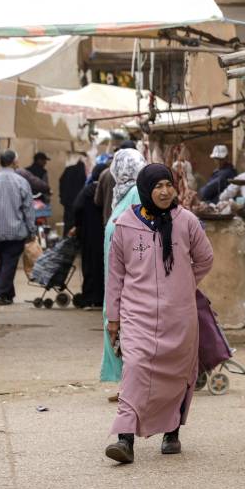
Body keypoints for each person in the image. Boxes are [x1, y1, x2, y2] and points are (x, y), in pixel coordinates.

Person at [104, 164, 214, 463]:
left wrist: (182, 284)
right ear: (145, 190)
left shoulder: (186, 221)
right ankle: (124, 439)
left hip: (180, 316)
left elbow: (205, 259)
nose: (165, 192)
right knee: (135, 369)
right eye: (158, 186)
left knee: (179, 376)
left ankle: (172, 433)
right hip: (136, 314)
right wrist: (112, 318)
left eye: (169, 185)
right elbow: (115, 276)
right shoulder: (124, 225)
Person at [100, 149, 146, 386]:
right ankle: (124, 382)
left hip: (129, 274)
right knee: (114, 323)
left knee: (124, 327)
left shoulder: (137, 192)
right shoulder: (122, 193)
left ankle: (131, 385)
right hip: (115, 272)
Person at [0, 150, 36, 305]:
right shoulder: (21, 182)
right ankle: (0, 294)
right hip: (15, 231)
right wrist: (32, 230)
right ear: (13, 162)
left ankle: (8, 293)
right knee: (9, 263)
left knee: (4, 262)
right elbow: (28, 209)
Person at [70, 163, 108, 309]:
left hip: (88, 234)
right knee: (104, 266)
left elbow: (77, 208)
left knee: (89, 265)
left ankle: (89, 297)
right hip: (104, 233)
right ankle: (102, 298)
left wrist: (78, 225)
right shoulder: (108, 189)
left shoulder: (87, 191)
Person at [96, 141, 136, 224]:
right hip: (132, 224)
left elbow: (98, 201)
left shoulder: (105, 173)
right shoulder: (138, 174)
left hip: (110, 222)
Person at [59, 158, 87, 236]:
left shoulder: (68, 169)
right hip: (78, 203)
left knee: (67, 223)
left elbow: (61, 181)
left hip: (67, 202)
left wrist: (62, 197)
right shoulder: (83, 172)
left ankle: (66, 241)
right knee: (77, 224)